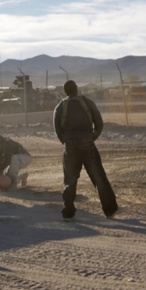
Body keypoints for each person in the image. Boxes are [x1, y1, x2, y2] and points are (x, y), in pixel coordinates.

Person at [53, 80, 117, 219]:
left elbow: (58, 131)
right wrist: (91, 138)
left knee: (69, 181)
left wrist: (67, 142)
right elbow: (99, 124)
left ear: (65, 92)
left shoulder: (60, 107)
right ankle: (110, 210)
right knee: (99, 178)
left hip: (70, 148)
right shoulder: (87, 102)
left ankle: (68, 212)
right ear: (77, 89)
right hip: (87, 145)